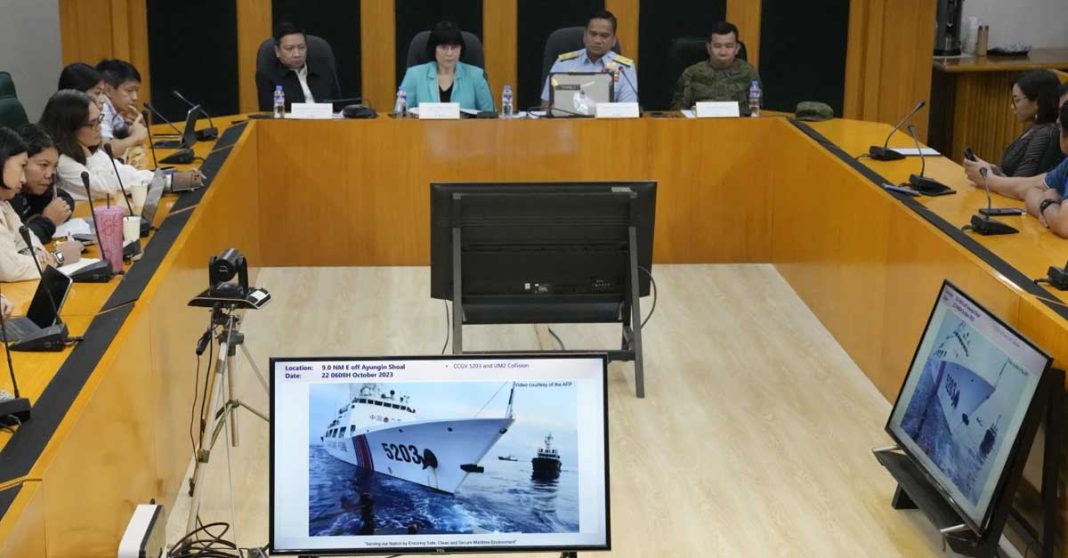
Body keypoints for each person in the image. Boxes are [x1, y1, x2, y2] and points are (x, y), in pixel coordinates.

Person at [39, 90, 202, 203]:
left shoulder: (90, 149)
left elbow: (124, 174)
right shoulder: (63, 162)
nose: (100, 128)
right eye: (92, 124)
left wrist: (173, 180)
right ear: (69, 128)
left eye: (99, 120)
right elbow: (106, 188)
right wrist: (88, 156)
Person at [964, 103, 1068, 237]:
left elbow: (1064, 225)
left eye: (1060, 127)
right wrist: (1049, 206)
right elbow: (1032, 190)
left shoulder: (1044, 134)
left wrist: (1047, 202)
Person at [0, 127, 73, 282]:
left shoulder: (4, 203)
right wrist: (56, 259)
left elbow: (25, 238)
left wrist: (37, 252)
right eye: (21, 166)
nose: (23, 179)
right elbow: (11, 269)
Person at [964, 70, 1062, 178]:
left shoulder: (1045, 134)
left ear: (1037, 102)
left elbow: (1020, 183)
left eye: (1017, 100)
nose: (1012, 106)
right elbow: (1007, 173)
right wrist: (986, 166)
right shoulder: (1034, 127)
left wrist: (987, 175)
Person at [540, 10, 638, 106]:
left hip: (608, 122)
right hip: (568, 122)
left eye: (604, 36)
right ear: (585, 36)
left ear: (613, 41)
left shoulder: (624, 68)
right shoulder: (563, 64)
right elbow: (546, 106)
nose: (597, 40)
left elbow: (628, 111)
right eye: (593, 34)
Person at [399, 21, 494, 111]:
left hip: (466, 128)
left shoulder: (476, 76)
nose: (449, 53)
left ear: (461, 49)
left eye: (454, 47)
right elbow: (400, 116)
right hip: (424, 128)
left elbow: (490, 116)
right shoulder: (414, 75)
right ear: (434, 49)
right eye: (444, 47)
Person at [671, 22, 761, 111]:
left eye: (729, 46)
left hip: (739, 124)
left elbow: (756, 111)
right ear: (709, 48)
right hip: (701, 124)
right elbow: (678, 112)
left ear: (737, 48)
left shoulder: (749, 73)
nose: (723, 52)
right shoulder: (691, 74)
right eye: (717, 46)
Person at [255, 21, 341, 111]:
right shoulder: (267, 76)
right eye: (289, 48)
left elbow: (338, 107)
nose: (297, 54)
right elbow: (269, 115)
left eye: (301, 47)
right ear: (277, 51)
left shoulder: (324, 69)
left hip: (327, 124)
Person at [12, 125, 74, 244]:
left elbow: (65, 200)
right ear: (22, 161)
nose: (50, 174)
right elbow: (16, 242)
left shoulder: (33, 189)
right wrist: (48, 221)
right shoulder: (8, 194)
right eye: (43, 165)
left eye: (54, 166)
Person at [95, 59, 148, 157]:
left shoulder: (115, 109)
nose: (135, 97)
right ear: (108, 90)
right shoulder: (103, 107)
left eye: (136, 91)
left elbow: (122, 135)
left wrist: (135, 127)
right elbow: (106, 149)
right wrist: (135, 138)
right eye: (129, 91)